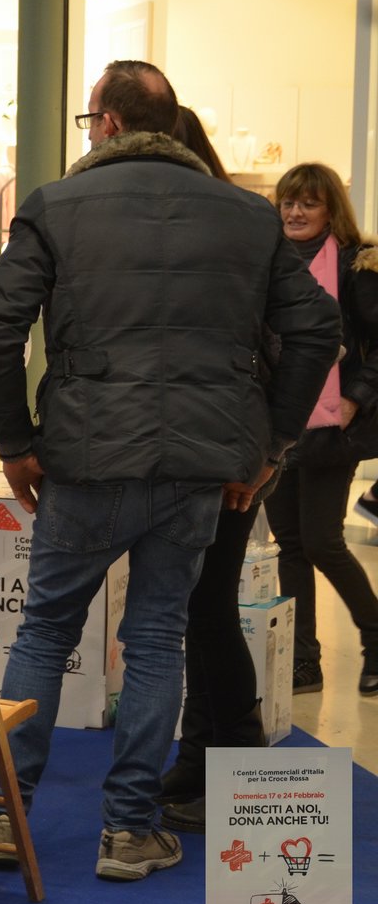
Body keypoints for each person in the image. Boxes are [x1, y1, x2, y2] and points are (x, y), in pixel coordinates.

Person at [0, 60, 340, 881]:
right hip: (200, 465)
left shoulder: (58, 204)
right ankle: (129, 832)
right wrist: (269, 444)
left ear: (103, 122)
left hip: (87, 458)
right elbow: (315, 329)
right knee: (159, 637)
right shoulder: (246, 214)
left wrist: (15, 440)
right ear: (168, 127)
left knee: (45, 630)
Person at [154, 107, 278, 833]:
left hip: (231, 450)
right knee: (197, 611)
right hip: (221, 446)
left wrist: (266, 451)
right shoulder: (234, 227)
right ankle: (203, 758)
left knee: (206, 611)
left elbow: (297, 339)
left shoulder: (233, 234)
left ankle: (234, 762)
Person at [261, 163, 378, 699]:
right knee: (289, 545)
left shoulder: (359, 266)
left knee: (322, 541)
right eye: (288, 202)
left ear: (331, 209)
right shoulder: (269, 261)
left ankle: (375, 640)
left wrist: (356, 396)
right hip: (279, 422)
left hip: (334, 425)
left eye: (308, 203)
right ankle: (303, 663)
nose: (294, 212)